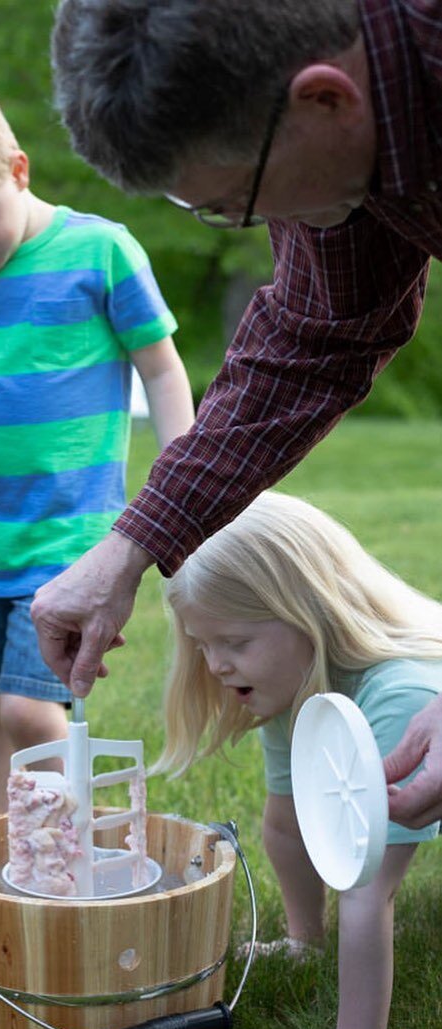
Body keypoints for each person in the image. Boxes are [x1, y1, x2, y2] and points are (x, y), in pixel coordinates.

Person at [30, 0, 442, 829]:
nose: (242, 226)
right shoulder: (340, 131)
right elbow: (312, 336)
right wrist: (129, 548)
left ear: (325, 100)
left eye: (232, 203)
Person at [0, 57, 195, 815]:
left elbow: (162, 372)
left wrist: (181, 494)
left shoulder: (100, 252)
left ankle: (70, 848)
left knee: (29, 708)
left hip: (67, 539)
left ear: (17, 170)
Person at [160, 490, 441, 1029]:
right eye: (202, 645)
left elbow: (367, 889)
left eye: (234, 641)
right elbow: (288, 823)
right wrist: (303, 939)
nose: (215, 665)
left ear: (306, 613)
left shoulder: (399, 696)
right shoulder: (287, 679)